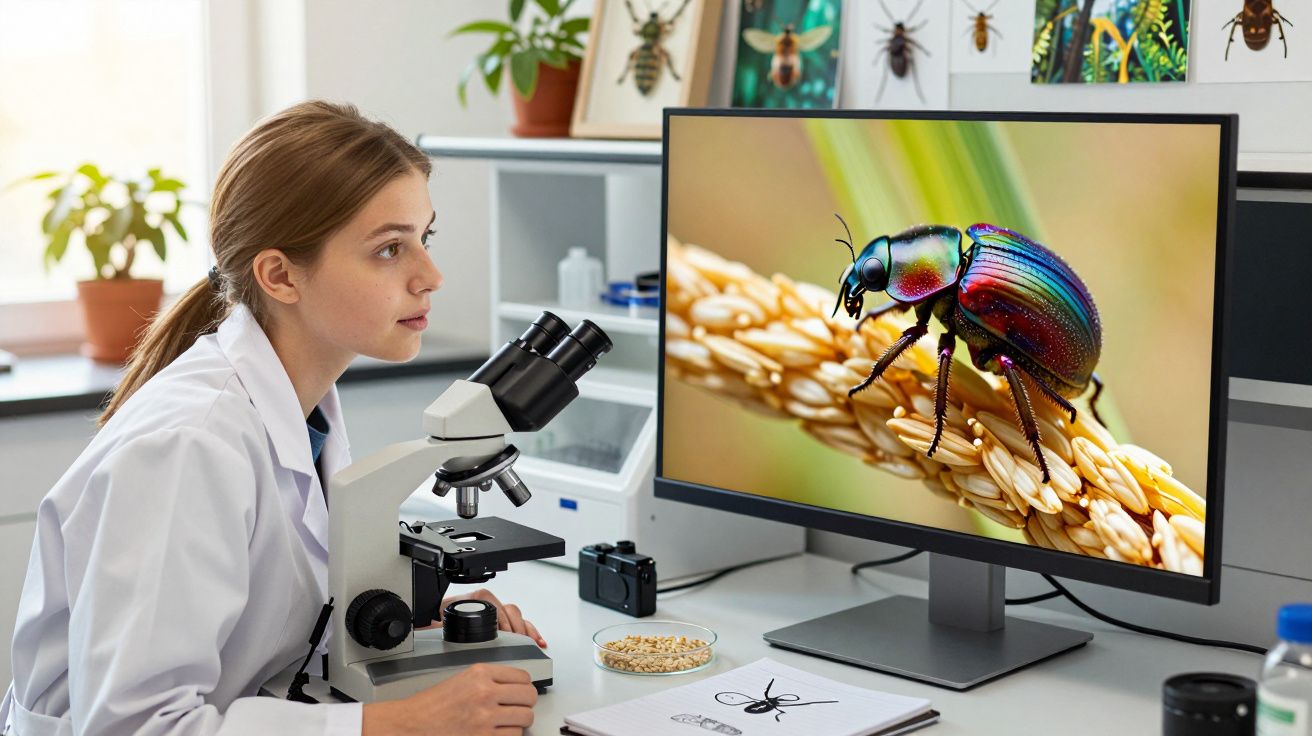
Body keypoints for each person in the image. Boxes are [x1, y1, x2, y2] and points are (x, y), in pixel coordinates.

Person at [0, 101, 544, 736]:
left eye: (425, 238)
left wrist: (419, 616)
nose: (431, 276)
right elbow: (133, 726)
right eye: (390, 249)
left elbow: (266, 623)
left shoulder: (304, 407)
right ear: (281, 276)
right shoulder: (189, 445)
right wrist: (397, 725)